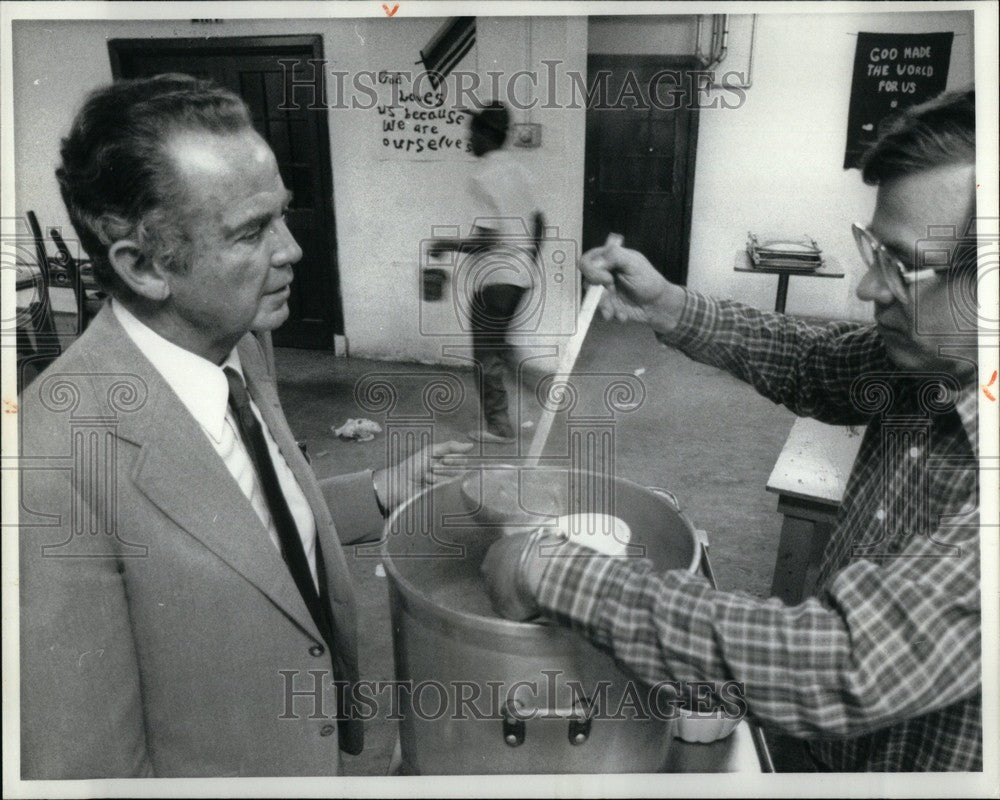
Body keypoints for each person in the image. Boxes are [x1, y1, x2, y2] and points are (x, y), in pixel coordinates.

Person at [481, 88, 982, 771]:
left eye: (900, 265)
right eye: (873, 252)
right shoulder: (942, 363)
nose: (868, 289)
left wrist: (548, 567)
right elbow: (814, 360)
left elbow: (837, 664)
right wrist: (667, 303)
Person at [18, 74, 470, 778]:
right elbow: (86, 769)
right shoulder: (51, 458)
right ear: (142, 266)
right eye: (253, 231)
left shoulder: (239, 342)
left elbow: (239, 505)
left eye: (281, 216)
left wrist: (375, 491)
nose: (291, 249)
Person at [431, 101, 544, 443]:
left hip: (495, 281)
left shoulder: (482, 177)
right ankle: (544, 387)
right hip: (521, 277)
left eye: (471, 134)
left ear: (485, 134)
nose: (468, 140)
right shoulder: (521, 171)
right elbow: (539, 222)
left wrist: (444, 245)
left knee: (485, 354)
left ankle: (499, 427)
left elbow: (486, 240)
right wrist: (526, 261)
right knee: (499, 344)